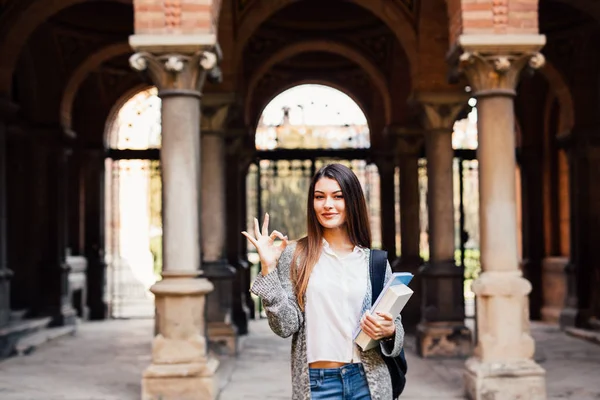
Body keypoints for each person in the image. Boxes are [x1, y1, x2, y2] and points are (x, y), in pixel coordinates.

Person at [243, 163, 405, 400]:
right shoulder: (296, 255)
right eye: (320, 197)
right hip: (318, 384)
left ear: (352, 201)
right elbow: (285, 326)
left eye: (337, 196)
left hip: (369, 383)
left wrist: (389, 331)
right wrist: (268, 269)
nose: (328, 204)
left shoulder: (375, 261)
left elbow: (397, 329)